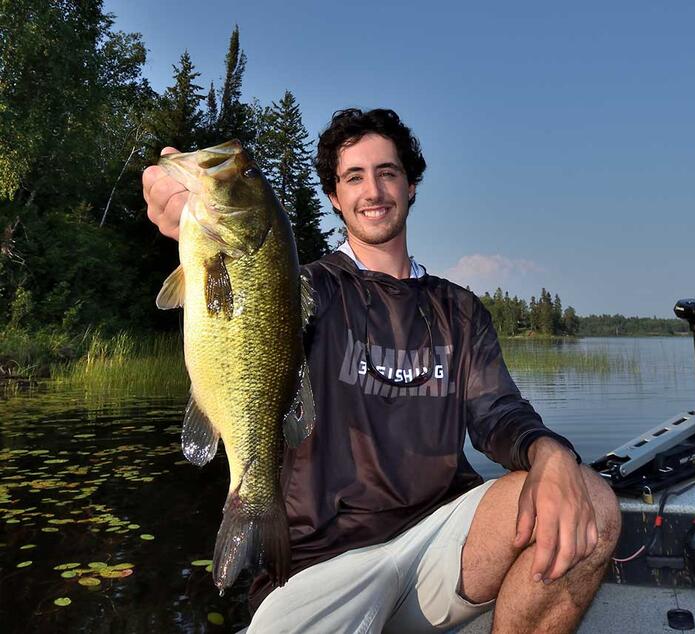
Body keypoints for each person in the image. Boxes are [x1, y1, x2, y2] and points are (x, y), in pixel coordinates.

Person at [143, 108, 621, 633]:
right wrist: (181, 213)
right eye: (353, 177)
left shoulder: (458, 310)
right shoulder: (304, 290)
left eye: (387, 172)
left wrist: (552, 453)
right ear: (334, 196)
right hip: (317, 561)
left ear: (411, 185)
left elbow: (498, 413)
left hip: (440, 546)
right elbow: (239, 314)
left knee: (592, 505)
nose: (372, 190)